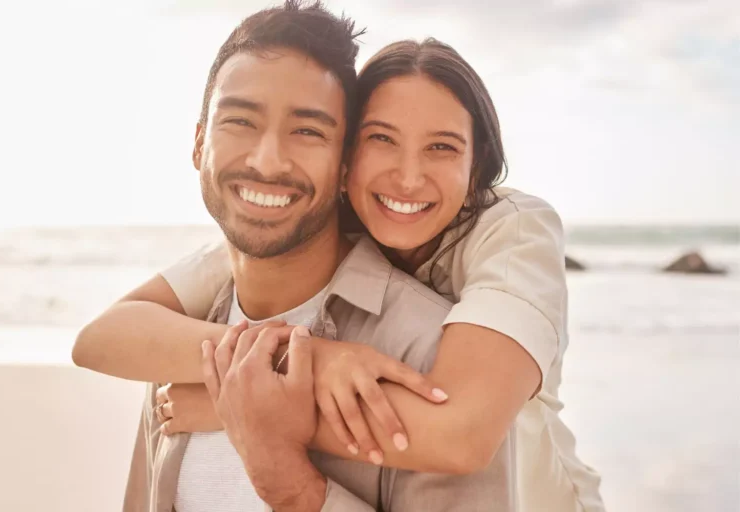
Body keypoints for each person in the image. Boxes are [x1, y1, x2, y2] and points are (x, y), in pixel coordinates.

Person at [73, 2, 605, 511]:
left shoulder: (482, 276)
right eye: (382, 139)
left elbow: (462, 435)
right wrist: (304, 360)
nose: (408, 176)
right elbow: (101, 336)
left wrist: (244, 410)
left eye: (307, 130)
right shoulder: (187, 334)